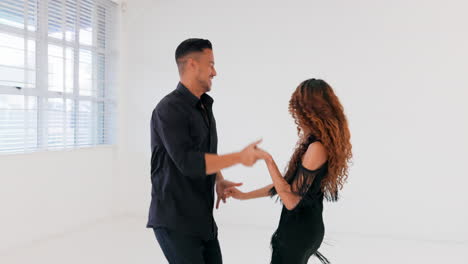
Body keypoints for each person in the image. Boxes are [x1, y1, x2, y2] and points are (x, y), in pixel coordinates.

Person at [147, 38, 263, 264]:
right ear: (192, 64)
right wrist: (240, 157)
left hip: (202, 219)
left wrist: (218, 178)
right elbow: (189, 163)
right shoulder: (168, 109)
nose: (215, 72)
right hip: (175, 221)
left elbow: (204, 152)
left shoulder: (204, 106)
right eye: (210, 64)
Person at [224, 78, 352, 264]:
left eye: (299, 110)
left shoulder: (316, 148)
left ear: (308, 112)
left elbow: (291, 200)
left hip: (298, 233)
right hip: (304, 230)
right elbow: (285, 186)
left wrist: (267, 160)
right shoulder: (316, 143)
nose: (297, 116)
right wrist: (244, 196)